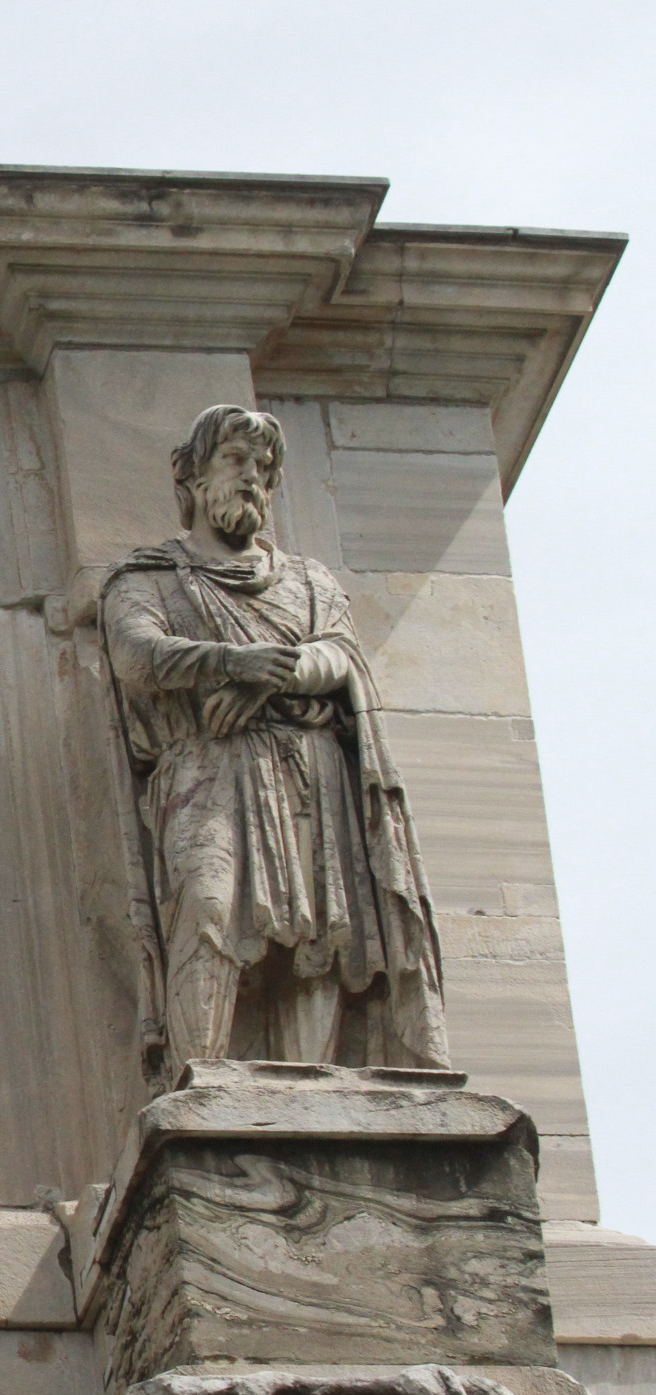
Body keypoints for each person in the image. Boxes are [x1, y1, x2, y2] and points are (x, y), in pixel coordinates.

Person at [102, 403, 446, 1078]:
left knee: (319, 926)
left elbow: (341, 657)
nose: (252, 479)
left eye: (263, 468)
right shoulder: (148, 578)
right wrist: (233, 663)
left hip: (307, 767)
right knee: (206, 907)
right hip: (207, 767)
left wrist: (270, 678)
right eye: (234, 461)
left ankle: (312, 1088)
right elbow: (135, 654)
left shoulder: (309, 581)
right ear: (192, 478)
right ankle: (195, 1078)